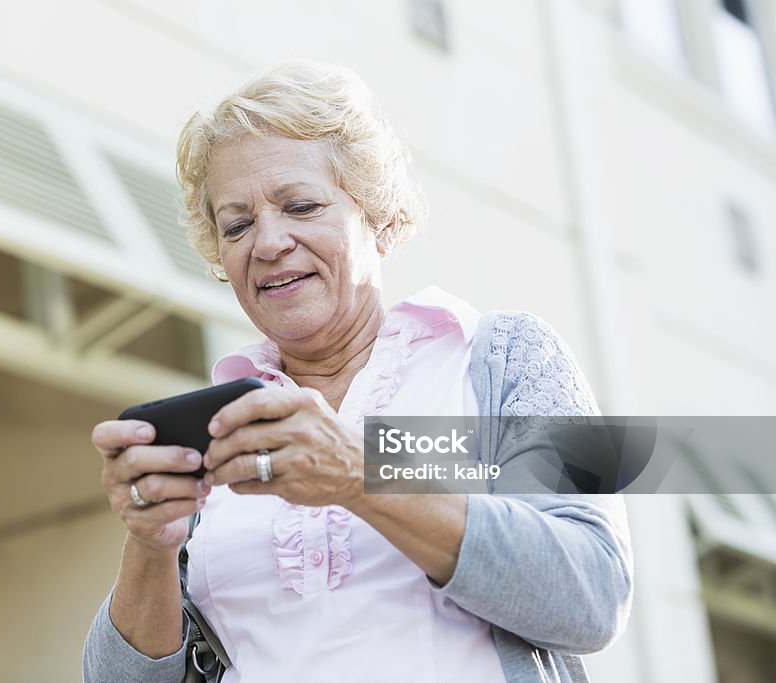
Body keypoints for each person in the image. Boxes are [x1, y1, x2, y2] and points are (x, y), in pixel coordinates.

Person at [83, 60, 632, 683]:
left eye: (301, 205)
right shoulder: (218, 427)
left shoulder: (500, 356)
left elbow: (592, 594)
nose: (267, 243)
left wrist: (360, 474)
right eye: (237, 223)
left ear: (381, 217)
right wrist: (150, 547)